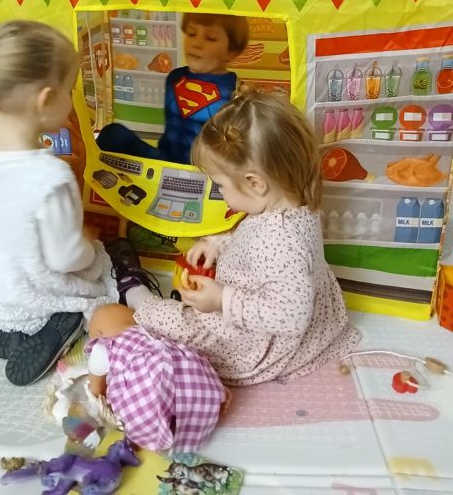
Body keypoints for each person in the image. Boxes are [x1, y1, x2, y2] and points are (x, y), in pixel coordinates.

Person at [111, 89, 361, 386]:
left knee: (172, 319)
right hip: (287, 317)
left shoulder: (281, 239)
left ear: (255, 183)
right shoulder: (292, 204)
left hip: (255, 344)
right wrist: (217, 243)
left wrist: (221, 300)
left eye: (220, 185)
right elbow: (253, 240)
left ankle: (136, 294)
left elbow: (290, 316)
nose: (220, 193)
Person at [0, 20, 118, 386]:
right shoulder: (49, 177)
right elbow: (66, 258)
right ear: (46, 100)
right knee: (102, 265)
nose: (72, 102)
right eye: (70, 91)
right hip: (31, 290)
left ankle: (1, 326)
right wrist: (86, 243)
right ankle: (58, 325)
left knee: (6, 274)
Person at [97, 13, 249, 165]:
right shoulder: (175, 77)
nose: (197, 44)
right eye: (191, 33)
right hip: (165, 163)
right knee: (113, 134)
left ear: (232, 51)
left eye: (210, 38)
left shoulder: (236, 92)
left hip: (203, 171)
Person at [83, 303, 228, 452]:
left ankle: (153, 437)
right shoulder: (147, 334)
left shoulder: (102, 347)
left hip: (148, 388)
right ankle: (211, 403)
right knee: (190, 381)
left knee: (139, 409)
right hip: (181, 368)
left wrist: (98, 398)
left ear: (99, 334)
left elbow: (96, 391)